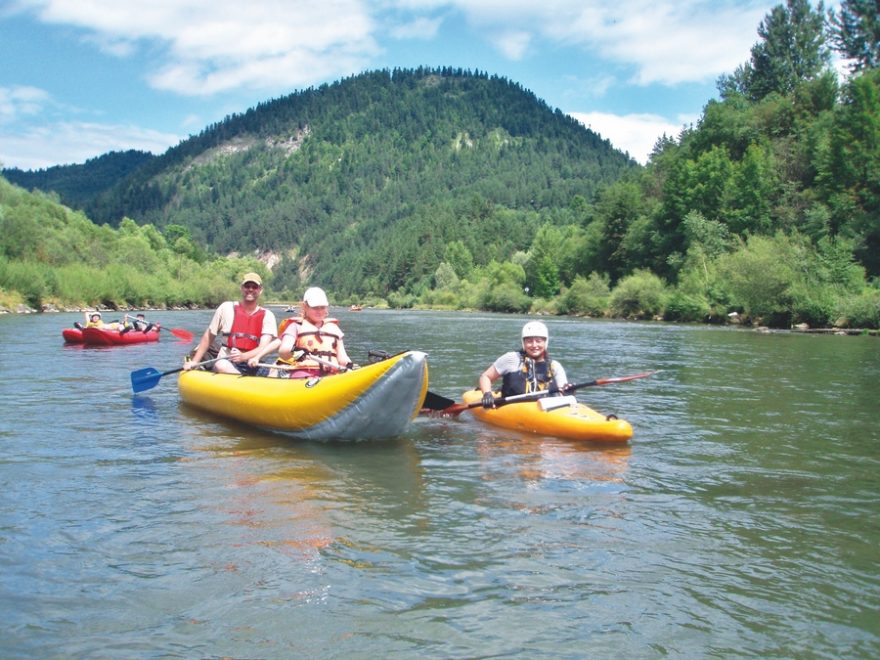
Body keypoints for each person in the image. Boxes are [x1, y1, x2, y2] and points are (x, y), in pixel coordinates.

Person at [248, 286, 353, 378]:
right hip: (304, 374)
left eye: (322, 307)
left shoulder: (334, 329)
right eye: (315, 307)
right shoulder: (296, 326)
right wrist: (298, 353)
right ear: (305, 306)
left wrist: (348, 364)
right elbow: (283, 350)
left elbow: (342, 357)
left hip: (331, 376)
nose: (320, 311)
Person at [184, 272, 277, 375]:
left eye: (254, 287)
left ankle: (247, 382)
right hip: (228, 362)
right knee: (221, 364)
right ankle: (243, 381)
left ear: (260, 290)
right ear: (242, 288)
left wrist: (243, 357)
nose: (250, 289)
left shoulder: (268, 315)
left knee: (277, 370)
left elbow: (263, 347)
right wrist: (195, 361)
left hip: (253, 364)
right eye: (247, 286)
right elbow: (209, 336)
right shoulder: (226, 308)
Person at [477, 320, 571, 408]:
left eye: (538, 341)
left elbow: (562, 392)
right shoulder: (511, 359)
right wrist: (487, 394)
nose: (534, 345)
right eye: (529, 341)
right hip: (512, 409)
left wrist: (568, 392)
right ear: (523, 343)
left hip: (543, 410)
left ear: (545, 342)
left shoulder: (555, 366)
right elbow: (485, 377)